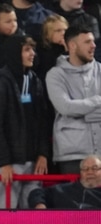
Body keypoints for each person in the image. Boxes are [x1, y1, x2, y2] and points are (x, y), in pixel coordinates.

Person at [0, 35, 50, 209]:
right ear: (15, 53)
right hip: (10, 164)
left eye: (33, 49)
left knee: (31, 221)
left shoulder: (35, 80)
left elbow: (42, 121)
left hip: (34, 163)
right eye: (27, 50)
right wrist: (4, 162)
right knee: (6, 219)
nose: (32, 54)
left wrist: (43, 154)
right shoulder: (0, 82)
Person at [45, 24, 101, 174]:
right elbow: (65, 108)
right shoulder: (55, 75)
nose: (93, 46)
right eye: (87, 42)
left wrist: (81, 112)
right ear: (72, 45)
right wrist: (97, 100)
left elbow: (72, 109)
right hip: (73, 155)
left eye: (93, 41)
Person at [28, 154, 101, 208]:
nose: (90, 172)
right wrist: (39, 204)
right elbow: (36, 193)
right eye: (85, 169)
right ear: (80, 172)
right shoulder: (62, 190)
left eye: (95, 168)